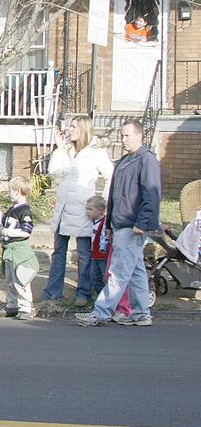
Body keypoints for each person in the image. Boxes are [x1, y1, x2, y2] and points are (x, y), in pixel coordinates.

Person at [77, 120, 161, 327]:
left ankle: (100, 312)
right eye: (121, 136)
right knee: (136, 271)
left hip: (132, 224)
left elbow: (151, 193)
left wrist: (142, 222)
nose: (123, 140)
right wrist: (109, 225)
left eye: (127, 136)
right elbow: (114, 195)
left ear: (139, 135)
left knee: (119, 271)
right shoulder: (125, 161)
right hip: (120, 224)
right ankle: (141, 314)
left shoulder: (146, 160)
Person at [41, 116, 114, 306]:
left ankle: (83, 292)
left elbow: (110, 175)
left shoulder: (95, 152)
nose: (69, 129)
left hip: (84, 210)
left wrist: (102, 203)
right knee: (58, 252)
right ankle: (53, 293)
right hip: (64, 208)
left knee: (84, 254)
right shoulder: (66, 149)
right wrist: (59, 148)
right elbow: (54, 172)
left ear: (82, 129)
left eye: (73, 126)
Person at [0, 176, 38, 321]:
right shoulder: (13, 209)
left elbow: (26, 231)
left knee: (21, 279)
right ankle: (12, 304)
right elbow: (2, 222)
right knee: (9, 279)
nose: (8, 193)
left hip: (19, 250)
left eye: (10, 190)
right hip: (9, 249)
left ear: (17, 191)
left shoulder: (25, 211)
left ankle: (25, 307)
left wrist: (9, 232)